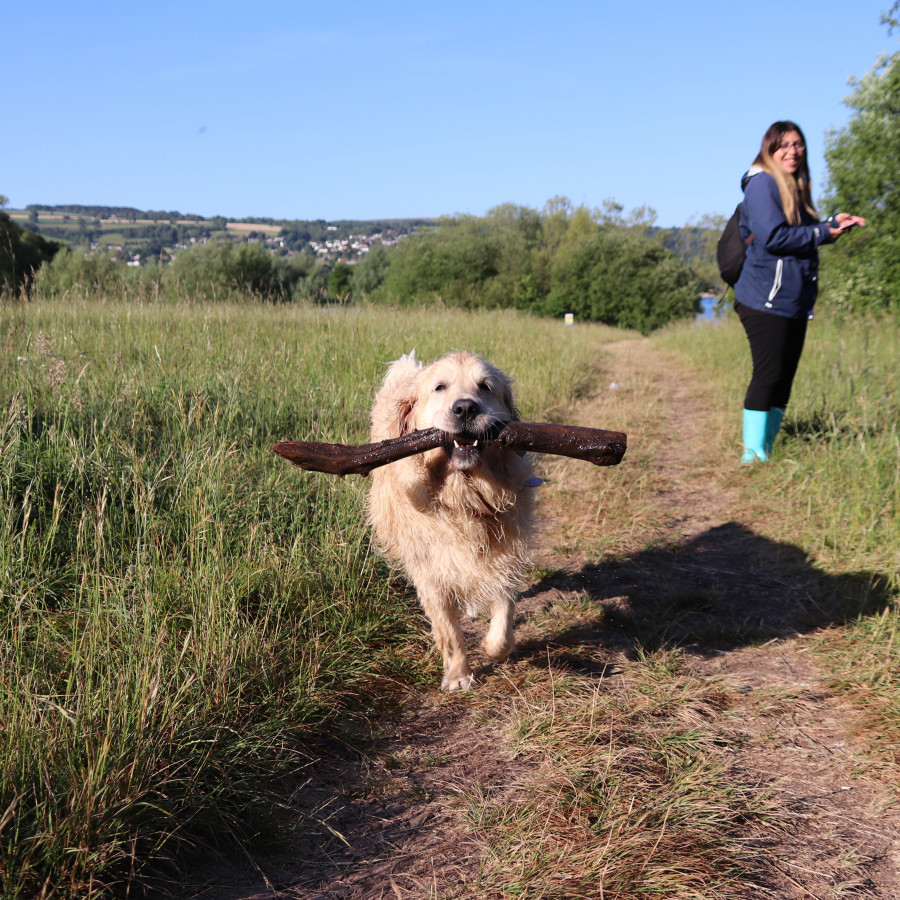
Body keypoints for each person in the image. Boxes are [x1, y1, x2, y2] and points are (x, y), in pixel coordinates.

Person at [733, 120, 865, 463]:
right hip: (764, 298)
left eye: (798, 145)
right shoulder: (762, 184)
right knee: (769, 373)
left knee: (784, 376)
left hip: (793, 299)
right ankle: (752, 456)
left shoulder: (796, 186)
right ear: (769, 149)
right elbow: (773, 237)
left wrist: (834, 223)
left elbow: (807, 231)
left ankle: (767, 452)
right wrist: (824, 233)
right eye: (784, 145)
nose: (792, 151)